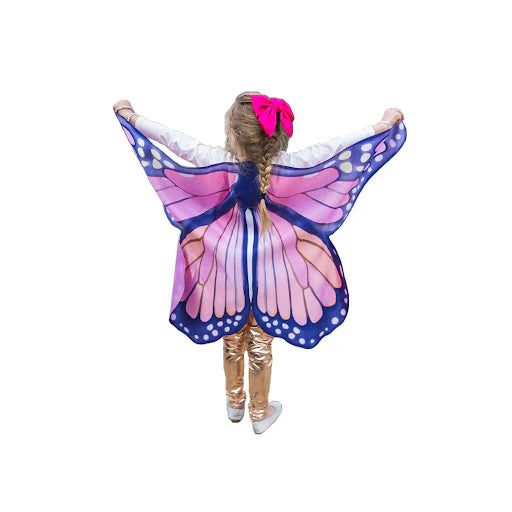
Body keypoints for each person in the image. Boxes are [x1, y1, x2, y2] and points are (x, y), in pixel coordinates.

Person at [113, 93, 405, 434]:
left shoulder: (216, 161)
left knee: (231, 338)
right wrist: (382, 124)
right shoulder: (294, 165)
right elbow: (335, 148)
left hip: (225, 271)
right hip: (274, 274)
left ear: (233, 134)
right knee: (261, 343)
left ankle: (235, 403)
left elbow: (174, 141)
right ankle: (259, 412)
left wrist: (131, 116)